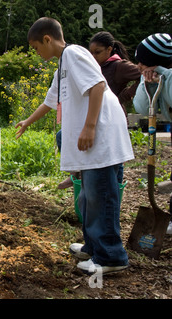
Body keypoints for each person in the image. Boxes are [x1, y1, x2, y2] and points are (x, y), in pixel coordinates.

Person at [16, 17, 134, 274]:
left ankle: (111, 258)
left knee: (101, 197)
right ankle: (94, 247)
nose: (37, 54)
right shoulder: (63, 67)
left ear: (47, 39)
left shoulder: (73, 53)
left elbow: (98, 85)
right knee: (89, 198)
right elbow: (49, 102)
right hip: (92, 143)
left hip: (100, 138)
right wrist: (27, 121)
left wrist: (90, 126)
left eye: (36, 48)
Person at [57, 31, 141, 189]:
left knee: (112, 157)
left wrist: (125, 95)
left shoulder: (118, 66)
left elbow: (142, 75)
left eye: (98, 52)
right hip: (95, 114)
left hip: (110, 116)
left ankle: (114, 187)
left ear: (109, 50)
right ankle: (78, 173)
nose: (94, 56)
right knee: (63, 136)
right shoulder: (92, 65)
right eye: (91, 53)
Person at [132, 33, 172, 234]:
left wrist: (165, 76)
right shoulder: (154, 77)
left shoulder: (168, 76)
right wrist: (147, 82)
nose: (138, 66)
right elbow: (141, 106)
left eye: (143, 62)